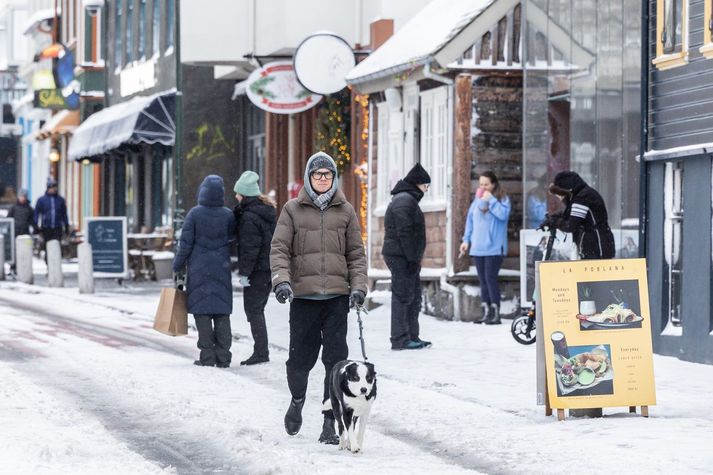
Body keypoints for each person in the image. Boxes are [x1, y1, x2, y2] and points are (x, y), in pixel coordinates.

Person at [270, 151, 367, 445]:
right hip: (303, 298)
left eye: (327, 174)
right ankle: (297, 400)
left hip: (337, 298)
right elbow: (279, 250)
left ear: (334, 178)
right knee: (300, 360)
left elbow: (356, 255)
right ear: (308, 178)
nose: (322, 179)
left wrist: (359, 287)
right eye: (317, 174)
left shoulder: (346, 211)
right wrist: (281, 282)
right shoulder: (292, 210)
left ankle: (329, 422)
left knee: (336, 363)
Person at [173, 175, 236, 368]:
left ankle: (207, 356)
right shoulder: (228, 215)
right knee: (221, 312)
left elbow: (185, 244)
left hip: (199, 269)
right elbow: (234, 240)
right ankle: (224, 356)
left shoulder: (194, 214)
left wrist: (178, 265)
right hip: (221, 269)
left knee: (202, 313)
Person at [381, 162, 432, 350]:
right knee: (403, 296)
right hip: (401, 256)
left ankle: (411, 336)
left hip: (406, 257)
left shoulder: (407, 199)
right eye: (426, 186)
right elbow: (405, 232)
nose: (426, 190)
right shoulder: (404, 200)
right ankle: (400, 339)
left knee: (413, 296)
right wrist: (411, 258)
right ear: (418, 184)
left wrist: (413, 258)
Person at [233, 170, 276, 366]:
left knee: (254, 310)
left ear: (245, 194)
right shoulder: (262, 211)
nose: (235, 196)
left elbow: (250, 249)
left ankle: (261, 352)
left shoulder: (250, 217)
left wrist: (244, 274)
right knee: (257, 310)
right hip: (266, 268)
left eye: (238, 193)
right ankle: (261, 350)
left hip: (257, 270)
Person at [459, 171, 511, 324]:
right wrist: (466, 241)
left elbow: (503, 216)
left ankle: (496, 313)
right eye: (481, 184)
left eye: (486, 184)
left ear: (493, 184)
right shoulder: (476, 201)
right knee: (483, 280)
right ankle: (486, 311)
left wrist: (492, 200)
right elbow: (470, 221)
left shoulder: (502, 199)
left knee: (490, 278)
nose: (483, 187)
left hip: (495, 248)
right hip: (478, 247)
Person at [547, 171, 615, 260]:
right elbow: (573, 216)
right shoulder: (585, 194)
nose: (559, 196)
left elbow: (571, 225)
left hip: (596, 247)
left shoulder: (582, 197)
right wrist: (556, 218)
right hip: (597, 245)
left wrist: (555, 221)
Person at [34, 178, 69, 260]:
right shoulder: (41, 200)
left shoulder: (60, 200)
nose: (54, 189)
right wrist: (36, 225)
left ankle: (55, 261)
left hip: (57, 227)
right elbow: (37, 213)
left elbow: (64, 214)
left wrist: (66, 225)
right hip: (46, 227)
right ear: (48, 188)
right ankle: (48, 263)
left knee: (57, 245)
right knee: (47, 245)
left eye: (55, 187)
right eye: (52, 187)